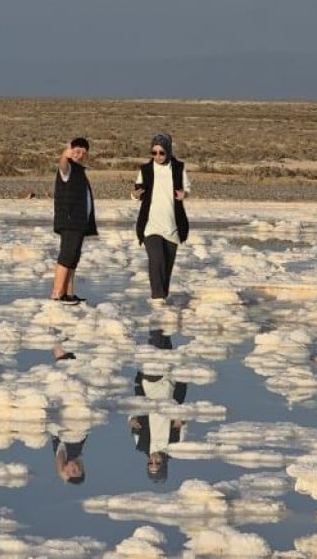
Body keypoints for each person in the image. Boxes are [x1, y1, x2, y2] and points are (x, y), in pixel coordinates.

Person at [132, 133, 190, 303]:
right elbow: (137, 191)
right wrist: (135, 195)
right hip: (151, 224)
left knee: (167, 265)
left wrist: (184, 194)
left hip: (172, 224)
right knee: (156, 260)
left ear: (168, 151)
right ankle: (157, 298)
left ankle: (163, 296)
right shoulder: (146, 169)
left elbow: (186, 188)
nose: (157, 156)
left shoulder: (178, 168)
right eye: (154, 152)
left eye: (161, 153)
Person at [128, 330, 188, 483]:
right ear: (164, 464)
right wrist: (179, 420)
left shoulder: (141, 445)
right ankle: (162, 316)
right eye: (157, 464)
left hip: (149, 386)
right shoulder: (175, 446)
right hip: (169, 388)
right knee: (164, 342)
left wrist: (132, 420)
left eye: (150, 464)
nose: (153, 461)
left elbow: (134, 416)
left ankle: (158, 317)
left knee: (155, 345)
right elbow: (183, 419)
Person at [51, 137, 96, 304]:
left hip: (79, 223)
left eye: (83, 153)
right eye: (77, 152)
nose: (80, 155)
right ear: (71, 151)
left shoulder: (79, 170)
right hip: (69, 221)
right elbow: (62, 166)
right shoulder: (69, 168)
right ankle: (57, 293)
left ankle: (68, 293)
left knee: (73, 257)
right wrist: (65, 155)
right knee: (67, 255)